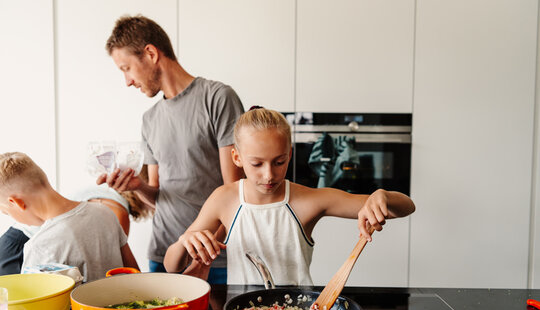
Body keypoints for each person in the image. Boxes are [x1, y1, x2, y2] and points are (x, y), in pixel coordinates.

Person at [164, 108, 416, 285]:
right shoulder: (224, 199)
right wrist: (186, 240)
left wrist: (382, 196)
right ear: (237, 158)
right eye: (257, 164)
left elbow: (406, 206)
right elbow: (171, 265)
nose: (269, 175)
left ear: (289, 154)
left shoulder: (307, 200)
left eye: (279, 161)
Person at [100, 15, 244, 283]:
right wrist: (137, 186)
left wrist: (205, 253)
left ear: (151, 53)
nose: (127, 81)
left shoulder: (217, 98)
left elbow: (235, 193)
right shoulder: (150, 120)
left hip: (215, 259)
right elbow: (158, 196)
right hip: (163, 257)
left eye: (126, 68)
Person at [0, 152, 139, 282]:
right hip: (121, 306)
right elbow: (134, 274)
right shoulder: (105, 212)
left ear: (16, 202)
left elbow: (34, 306)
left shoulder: (39, 246)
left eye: (6, 212)